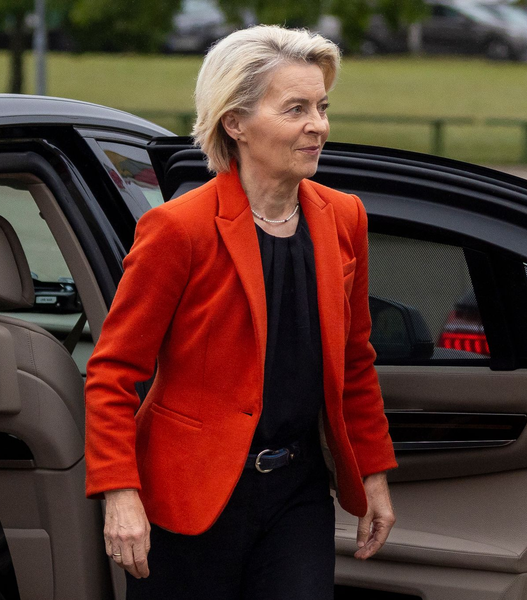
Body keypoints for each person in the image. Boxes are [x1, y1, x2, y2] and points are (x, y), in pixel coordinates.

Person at [84, 24, 398, 600]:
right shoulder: (178, 229)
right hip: (190, 495)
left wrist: (372, 474)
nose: (319, 126)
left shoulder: (344, 217)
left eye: (323, 107)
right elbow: (113, 372)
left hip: (298, 494)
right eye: (296, 108)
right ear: (236, 123)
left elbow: (355, 360)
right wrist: (119, 492)